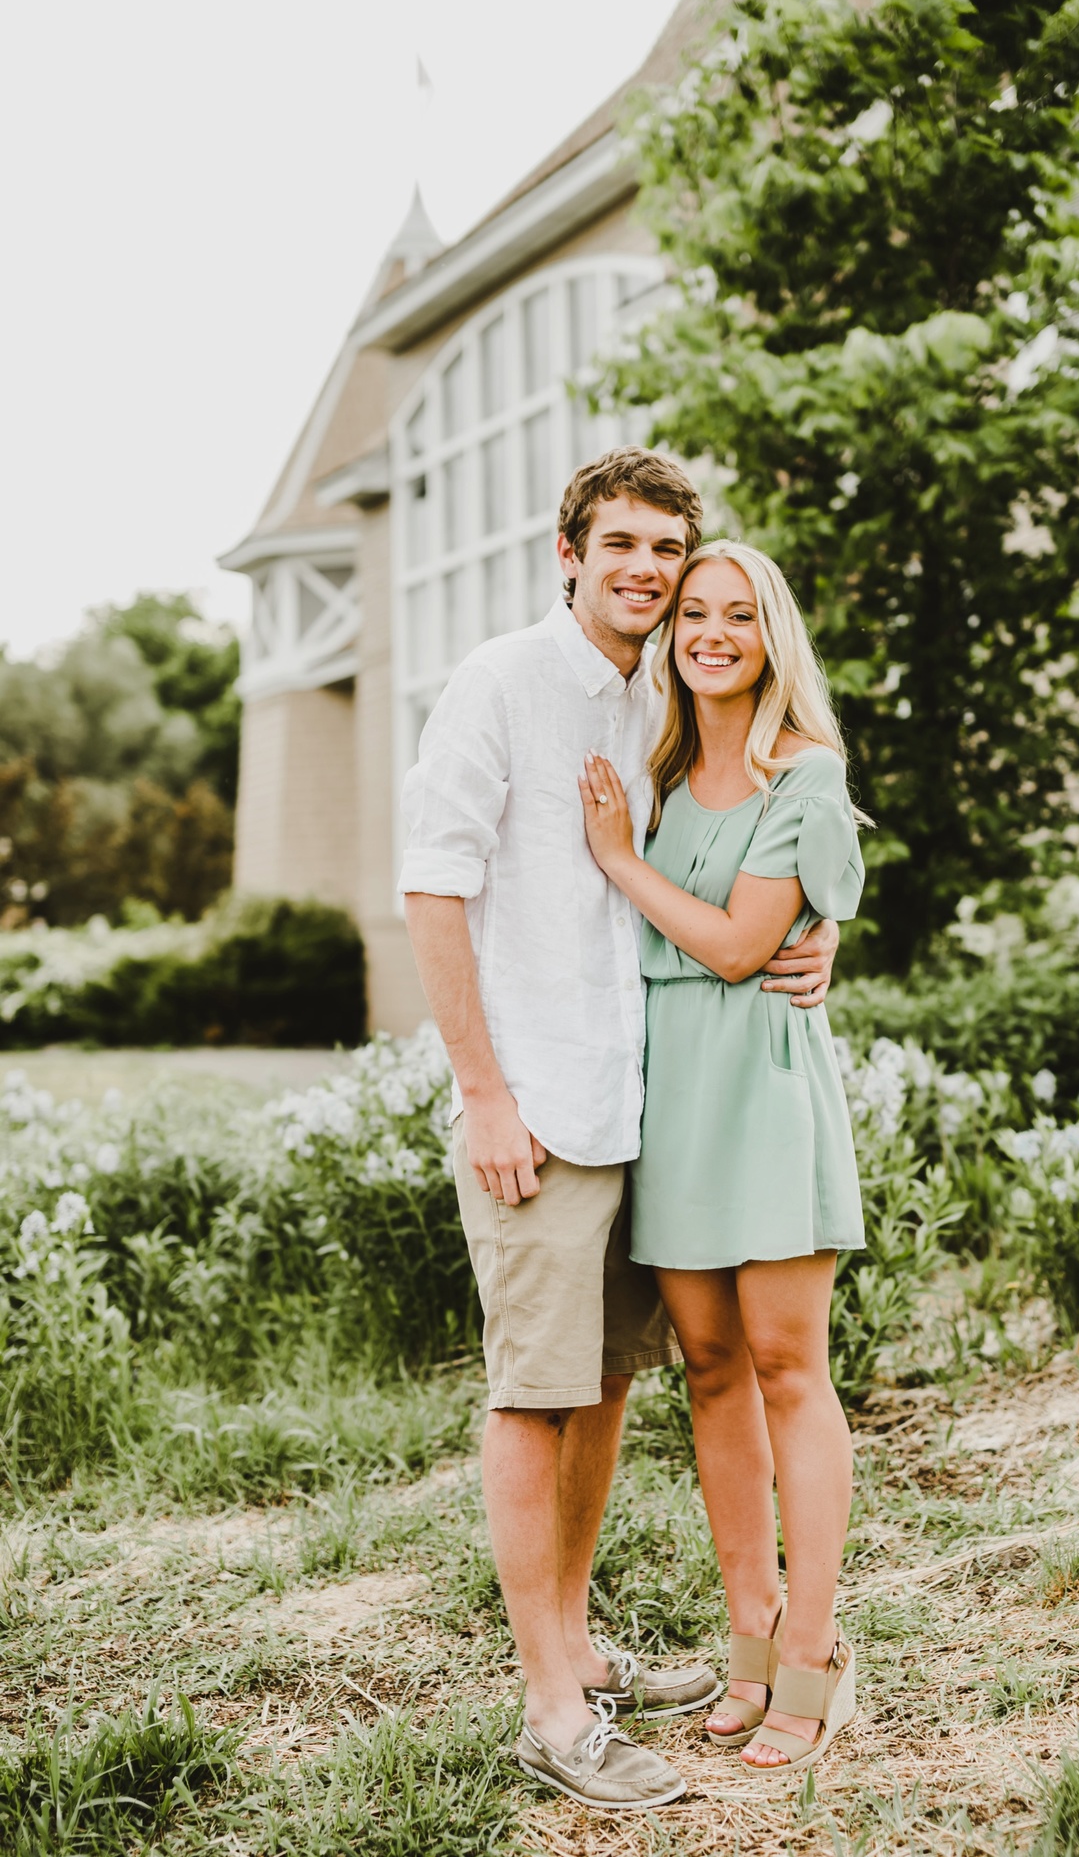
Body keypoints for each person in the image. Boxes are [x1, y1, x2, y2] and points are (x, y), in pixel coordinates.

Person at [401, 450, 838, 1812]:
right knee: (535, 1393)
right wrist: (482, 1090)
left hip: (647, 1105)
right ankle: (551, 1708)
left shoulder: (655, 691)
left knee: (602, 1386)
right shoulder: (502, 682)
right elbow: (431, 884)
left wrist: (815, 940)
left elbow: (741, 861)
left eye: (669, 549)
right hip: (534, 1105)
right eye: (626, 546)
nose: (650, 572)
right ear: (567, 551)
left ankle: (580, 1646)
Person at [576, 539, 867, 1783]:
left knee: (789, 1366)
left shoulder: (803, 772)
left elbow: (750, 944)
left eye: (736, 614)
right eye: (693, 612)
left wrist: (622, 863)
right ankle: (748, 1637)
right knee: (707, 1366)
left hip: (764, 1085)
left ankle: (813, 1650)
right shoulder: (652, 762)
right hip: (673, 1091)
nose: (709, 631)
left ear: (769, 633)